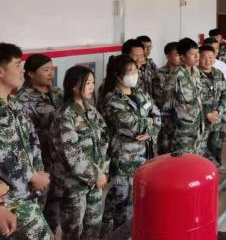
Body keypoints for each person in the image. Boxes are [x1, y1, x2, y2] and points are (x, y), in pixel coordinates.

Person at [99, 55, 160, 236]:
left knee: (134, 197)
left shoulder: (139, 93)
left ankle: (110, 231)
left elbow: (157, 114)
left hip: (145, 154)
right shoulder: (112, 100)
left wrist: (150, 130)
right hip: (125, 159)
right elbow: (132, 127)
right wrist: (150, 123)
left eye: (136, 70)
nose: (135, 74)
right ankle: (121, 233)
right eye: (130, 71)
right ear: (118, 76)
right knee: (125, 203)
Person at [50, 66, 109, 240]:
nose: (91, 87)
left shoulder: (90, 109)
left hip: (95, 182)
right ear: (74, 86)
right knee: (73, 232)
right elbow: (71, 153)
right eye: (87, 83)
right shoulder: (65, 115)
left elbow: (104, 137)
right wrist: (95, 175)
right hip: (73, 186)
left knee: (93, 227)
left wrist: (102, 170)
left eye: (92, 82)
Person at [0, 43, 52, 239]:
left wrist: (38, 172)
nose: (22, 70)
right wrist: (31, 176)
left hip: (28, 193)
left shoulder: (14, 104)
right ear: (1, 71)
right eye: (17, 65)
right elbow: (5, 155)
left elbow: (32, 141)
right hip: (10, 201)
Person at [15, 54, 64, 233]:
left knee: (55, 206)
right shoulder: (23, 99)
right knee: (38, 206)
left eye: (52, 69)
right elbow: (26, 136)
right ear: (30, 73)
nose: (51, 73)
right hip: (39, 163)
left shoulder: (57, 92)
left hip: (58, 161)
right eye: (45, 70)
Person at [163, 38, 205, 155]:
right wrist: (167, 135)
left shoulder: (196, 72)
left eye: (198, 53)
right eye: (193, 54)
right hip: (181, 131)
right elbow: (166, 106)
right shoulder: (175, 75)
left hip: (197, 127)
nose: (197, 57)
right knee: (182, 161)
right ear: (182, 57)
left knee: (195, 159)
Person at [198, 45, 226, 170]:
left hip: (218, 117)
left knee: (216, 144)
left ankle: (216, 166)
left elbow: (225, 93)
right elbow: (193, 100)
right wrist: (207, 114)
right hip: (202, 118)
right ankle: (204, 170)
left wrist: (218, 111)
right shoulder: (194, 75)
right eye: (204, 57)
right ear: (198, 58)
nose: (208, 60)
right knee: (201, 147)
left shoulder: (218, 73)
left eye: (211, 57)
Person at [153, 41, 181, 109]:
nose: (180, 57)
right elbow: (160, 98)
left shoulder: (184, 72)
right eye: (177, 55)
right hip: (167, 111)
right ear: (168, 56)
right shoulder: (159, 74)